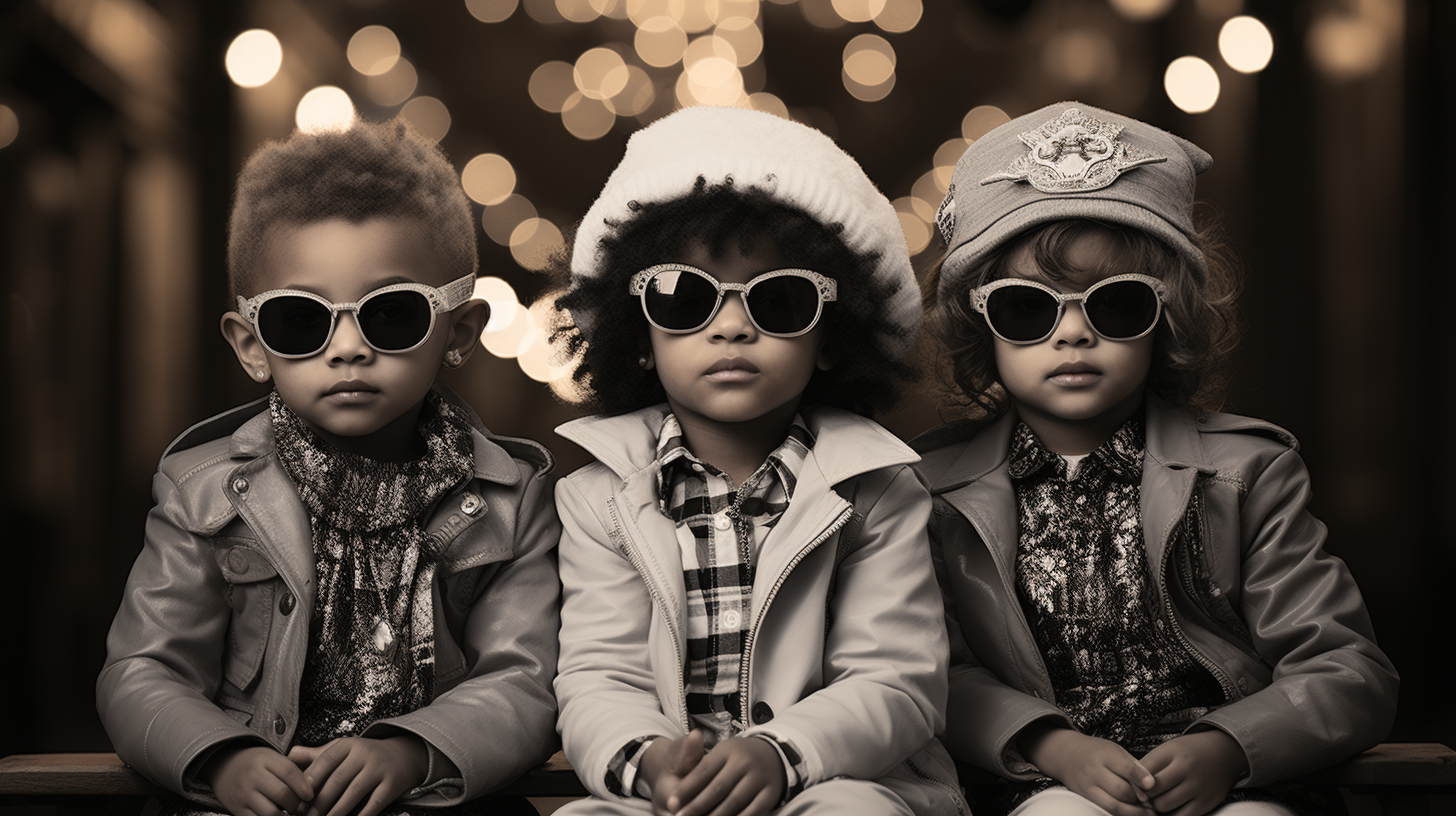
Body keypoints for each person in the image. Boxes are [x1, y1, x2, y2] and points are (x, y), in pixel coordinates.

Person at [916, 100, 1399, 816]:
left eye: (1116, 307)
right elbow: (924, 671)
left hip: (1235, 784)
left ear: (1166, 317)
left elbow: (1347, 668)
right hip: (1040, 786)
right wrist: (1047, 743)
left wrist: (1232, 747)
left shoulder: (1246, 476)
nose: (1073, 334)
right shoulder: (933, 493)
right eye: (1027, 307)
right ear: (977, 326)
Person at [96, 120, 561, 816]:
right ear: (252, 346)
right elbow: (142, 671)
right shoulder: (203, 494)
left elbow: (524, 680)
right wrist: (221, 755)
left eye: (393, 316)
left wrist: (415, 751)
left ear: (458, 331)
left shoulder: (511, 500)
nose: (347, 348)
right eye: (299, 321)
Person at [548, 105, 965, 816]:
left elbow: (895, 680)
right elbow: (599, 676)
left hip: (839, 778)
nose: (734, 325)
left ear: (831, 337)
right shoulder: (599, 497)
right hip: (668, 789)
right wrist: (644, 761)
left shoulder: (879, 492)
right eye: (685, 299)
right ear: (640, 336)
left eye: (780, 300)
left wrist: (783, 753)